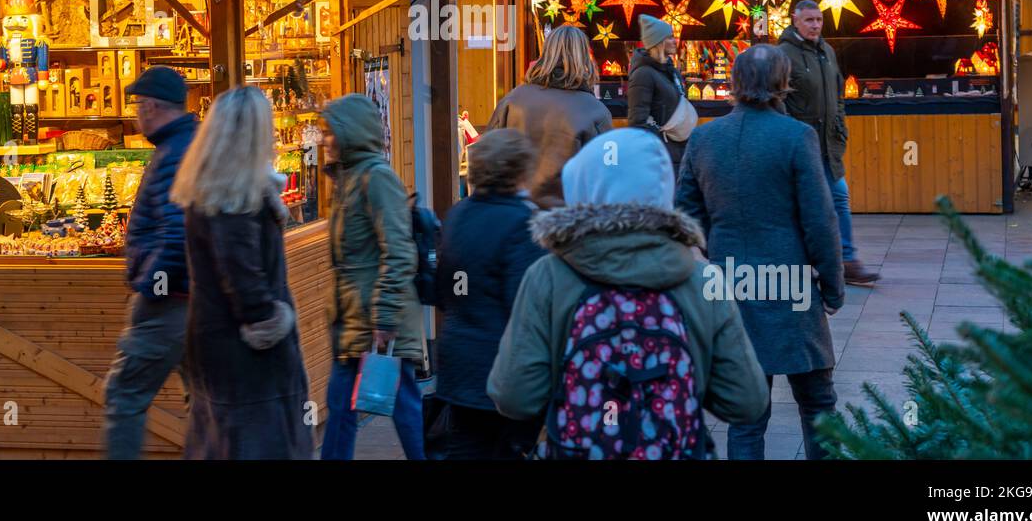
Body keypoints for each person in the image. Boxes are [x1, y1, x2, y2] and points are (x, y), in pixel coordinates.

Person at [487, 127, 770, 459]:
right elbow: (746, 400)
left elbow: (514, 397)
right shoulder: (701, 281)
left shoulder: (548, 277)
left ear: (581, 184)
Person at [676, 44, 845, 460]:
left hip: (730, 284)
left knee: (746, 416)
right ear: (783, 84)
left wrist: (716, 248)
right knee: (818, 401)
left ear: (734, 83)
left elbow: (684, 214)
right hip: (792, 285)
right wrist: (833, 284)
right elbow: (819, 219)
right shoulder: (796, 137)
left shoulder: (703, 137)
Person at [170, 86, 311, 460]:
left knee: (221, 439)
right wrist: (271, 321)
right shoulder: (233, 202)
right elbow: (243, 281)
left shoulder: (215, 191)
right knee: (253, 442)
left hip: (218, 342)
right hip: (245, 355)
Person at [319, 93, 425, 460]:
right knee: (344, 408)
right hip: (354, 319)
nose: (323, 140)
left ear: (351, 133)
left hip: (378, 321)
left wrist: (383, 314)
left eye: (330, 133)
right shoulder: (348, 180)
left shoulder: (377, 179)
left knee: (402, 409)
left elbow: (398, 251)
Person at [103, 66, 198, 459]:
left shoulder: (174, 153)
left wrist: (154, 286)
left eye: (139, 104)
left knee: (124, 394)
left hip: (168, 303)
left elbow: (178, 233)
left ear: (154, 106)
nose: (137, 113)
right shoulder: (181, 145)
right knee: (204, 398)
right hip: (187, 300)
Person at [434, 128, 545, 459]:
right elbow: (526, 307)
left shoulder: (458, 216)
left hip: (457, 364)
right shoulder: (522, 223)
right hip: (502, 369)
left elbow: (443, 292)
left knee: (468, 447)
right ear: (519, 170)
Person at [778, 0, 881, 286]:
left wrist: (840, 124)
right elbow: (778, 100)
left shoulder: (827, 51)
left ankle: (847, 261)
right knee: (804, 204)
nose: (815, 25)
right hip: (801, 145)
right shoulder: (783, 55)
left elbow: (837, 94)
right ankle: (804, 261)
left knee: (838, 197)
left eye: (819, 20)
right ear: (795, 21)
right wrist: (791, 135)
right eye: (809, 20)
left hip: (828, 145)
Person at [487, 24, 612, 209]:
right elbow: (605, 175)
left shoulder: (513, 100)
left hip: (513, 214)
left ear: (546, 53)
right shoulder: (595, 111)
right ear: (585, 57)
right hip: (564, 222)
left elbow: (488, 157)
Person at [627, 13, 695, 191]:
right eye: (670, 37)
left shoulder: (670, 71)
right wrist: (661, 142)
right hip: (665, 155)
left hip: (679, 151)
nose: (675, 40)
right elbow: (637, 122)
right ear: (659, 41)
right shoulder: (643, 74)